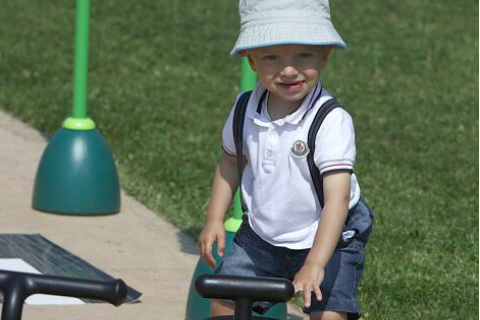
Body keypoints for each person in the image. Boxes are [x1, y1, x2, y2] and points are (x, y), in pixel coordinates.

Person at [198, 0, 373, 319]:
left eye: (303, 54)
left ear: (325, 53)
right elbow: (230, 163)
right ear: (251, 61)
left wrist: (315, 263)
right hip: (262, 236)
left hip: (329, 237)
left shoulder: (330, 121)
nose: (289, 69)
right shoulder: (243, 110)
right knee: (225, 303)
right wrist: (214, 218)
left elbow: (338, 199)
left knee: (328, 312)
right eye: (272, 56)